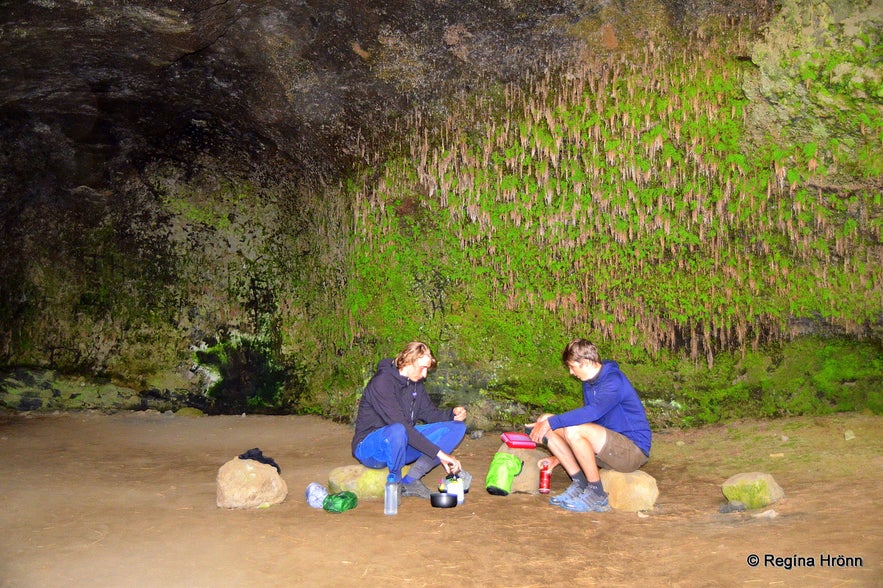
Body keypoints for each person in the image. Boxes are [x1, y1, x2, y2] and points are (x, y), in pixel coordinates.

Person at [528, 338, 651, 512]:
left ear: (585, 362)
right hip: (606, 446)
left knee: (562, 425)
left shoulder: (614, 381)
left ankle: (596, 494)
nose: (571, 372)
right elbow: (592, 425)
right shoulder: (589, 383)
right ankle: (580, 484)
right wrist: (558, 458)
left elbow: (592, 413)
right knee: (545, 420)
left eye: (572, 367)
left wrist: (552, 422)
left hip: (632, 450)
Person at [351, 341, 468, 499]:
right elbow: (402, 427)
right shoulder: (382, 382)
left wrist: (451, 414)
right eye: (423, 368)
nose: (425, 374)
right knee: (398, 430)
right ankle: (395, 481)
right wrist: (440, 454)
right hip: (371, 448)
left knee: (457, 427)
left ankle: (410, 481)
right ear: (408, 361)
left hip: (402, 443)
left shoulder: (415, 384)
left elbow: (429, 413)